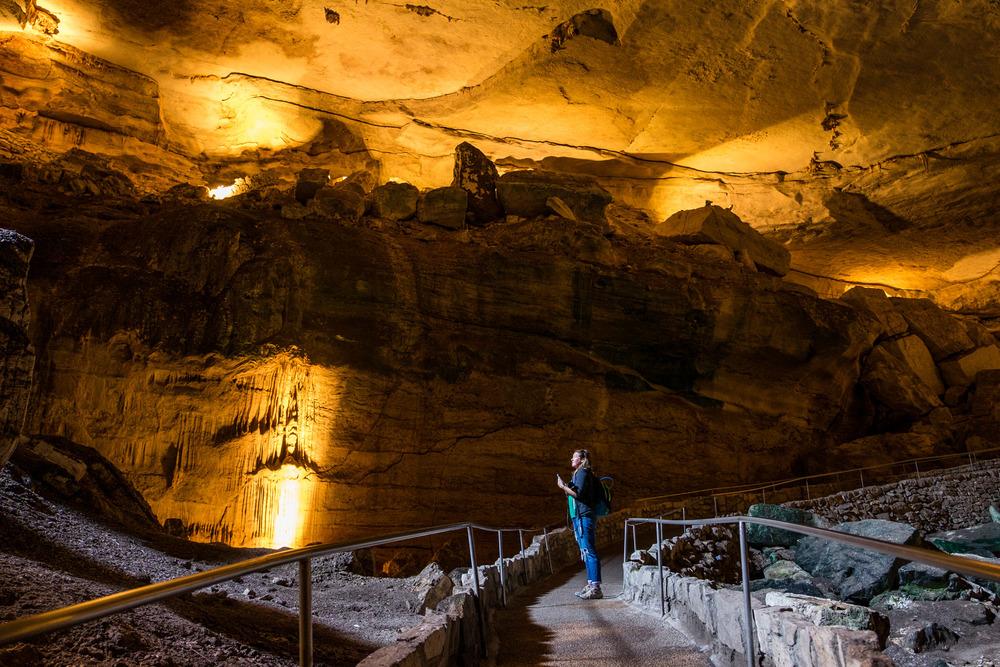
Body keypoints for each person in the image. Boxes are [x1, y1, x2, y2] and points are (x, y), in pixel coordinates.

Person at [556, 448, 603, 599]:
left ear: (582, 460)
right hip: (580, 515)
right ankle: (591, 584)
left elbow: (579, 493)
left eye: (574, 457)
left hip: (584, 515)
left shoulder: (582, 472)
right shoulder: (580, 473)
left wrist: (563, 487)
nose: (571, 459)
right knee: (586, 551)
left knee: (589, 550)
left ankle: (596, 587)